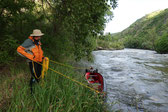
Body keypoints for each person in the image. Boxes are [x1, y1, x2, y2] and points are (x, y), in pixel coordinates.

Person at [17, 29, 46, 94]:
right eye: (37, 36)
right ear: (34, 36)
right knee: (34, 75)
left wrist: (42, 57)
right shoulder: (28, 41)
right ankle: (32, 91)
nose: (39, 37)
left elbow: (38, 52)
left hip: (39, 61)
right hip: (32, 62)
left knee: (39, 75)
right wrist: (30, 57)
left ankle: (37, 89)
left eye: (39, 36)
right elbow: (19, 50)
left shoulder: (38, 42)